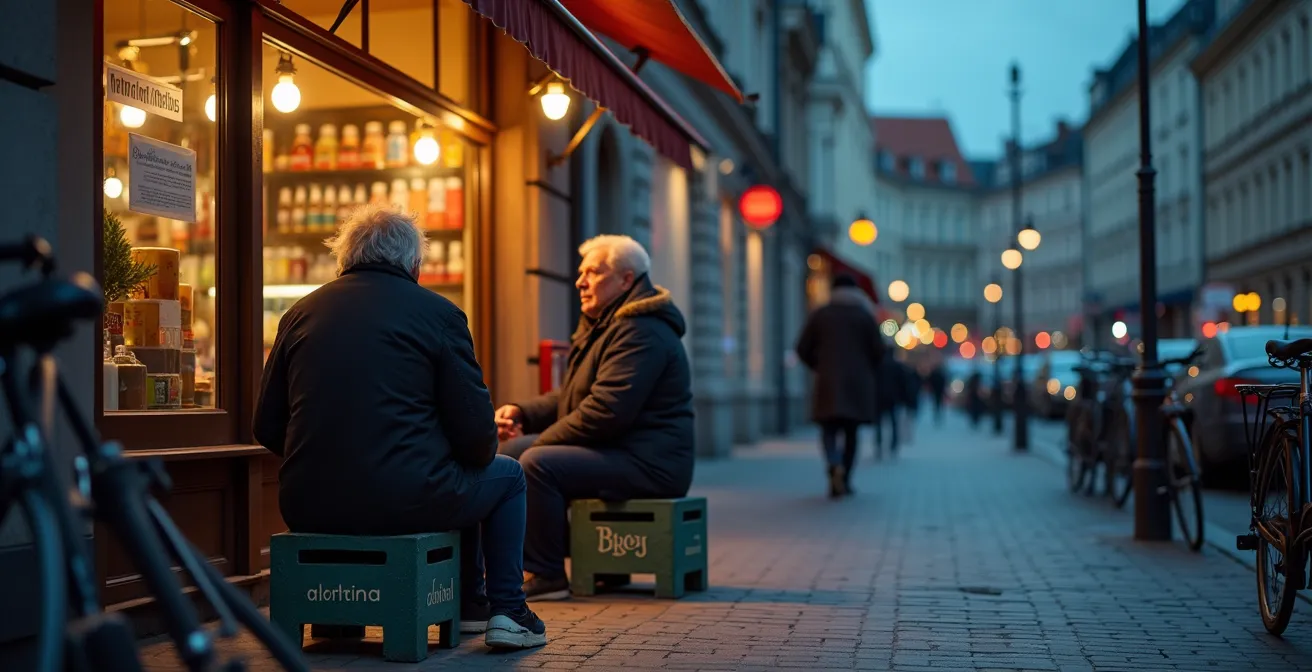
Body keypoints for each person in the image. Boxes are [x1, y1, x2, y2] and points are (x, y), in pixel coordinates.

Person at [253, 205, 546, 650]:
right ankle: (507, 611)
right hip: (409, 497)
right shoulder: (440, 314)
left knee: (458, 469)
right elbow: (477, 438)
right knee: (506, 477)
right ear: (414, 265)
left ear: (344, 258)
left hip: (309, 503)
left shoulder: (299, 313)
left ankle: (456, 606)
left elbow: (266, 424)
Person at [495, 234, 695, 601]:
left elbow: (606, 412)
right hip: (619, 450)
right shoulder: (607, 324)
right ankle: (508, 565)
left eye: (594, 272)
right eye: (581, 272)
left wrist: (539, 442)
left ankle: (547, 572)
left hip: (652, 462)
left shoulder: (641, 330)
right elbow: (572, 396)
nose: (580, 281)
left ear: (626, 279)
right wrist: (523, 412)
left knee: (538, 463)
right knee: (509, 454)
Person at [794, 275, 884, 498]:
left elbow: (801, 348)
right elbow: (879, 352)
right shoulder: (865, 316)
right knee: (851, 432)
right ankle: (846, 478)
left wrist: (818, 366)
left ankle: (833, 462)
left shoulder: (821, 315)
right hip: (857, 385)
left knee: (829, 429)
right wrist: (866, 370)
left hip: (828, 382)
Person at [873, 345, 904, 459]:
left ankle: (879, 446)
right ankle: (893, 446)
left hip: (879, 397)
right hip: (893, 398)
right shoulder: (897, 366)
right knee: (894, 423)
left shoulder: (878, 365)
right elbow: (902, 383)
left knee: (879, 424)